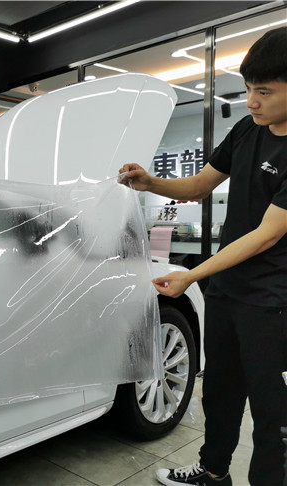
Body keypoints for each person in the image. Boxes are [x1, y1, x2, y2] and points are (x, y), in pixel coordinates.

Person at [119, 27, 286, 486]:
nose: (251, 101)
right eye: (248, 89)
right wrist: (151, 182)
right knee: (220, 392)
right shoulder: (247, 130)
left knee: (272, 408)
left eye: (264, 91)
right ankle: (213, 473)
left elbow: (266, 235)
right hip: (228, 291)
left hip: (271, 299)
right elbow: (197, 186)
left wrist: (191, 275)